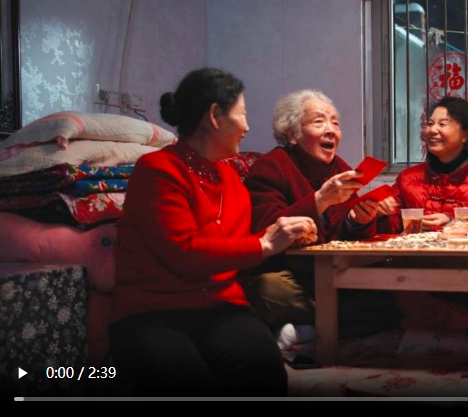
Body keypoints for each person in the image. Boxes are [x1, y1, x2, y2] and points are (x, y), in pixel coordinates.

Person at [109, 68, 318, 396]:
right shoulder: (157, 170)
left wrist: (285, 235)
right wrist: (264, 244)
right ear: (215, 116)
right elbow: (184, 253)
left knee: (265, 371)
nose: (248, 127)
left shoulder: (232, 180)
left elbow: (240, 249)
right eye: (243, 115)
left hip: (220, 307)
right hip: (152, 311)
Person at [244, 89, 398, 346]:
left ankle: (311, 329)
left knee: (389, 285)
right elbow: (266, 230)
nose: (331, 130)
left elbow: (345, 232)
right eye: (319, 122)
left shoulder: (339, 168)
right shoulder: (270, 167)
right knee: (268, 289)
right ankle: (339, 325)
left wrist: (357, 219)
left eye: (335, 123)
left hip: (333, 273)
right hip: (292, 274)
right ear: (292, 134)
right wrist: (320, 200)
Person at [376, 96, 468, 334]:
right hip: (415, 270)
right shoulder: (407, 178)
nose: (432, 130)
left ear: (466, 134)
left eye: (442, 124)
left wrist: (452, 222)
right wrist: (378, 214)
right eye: (430, 123)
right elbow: (392, 225)